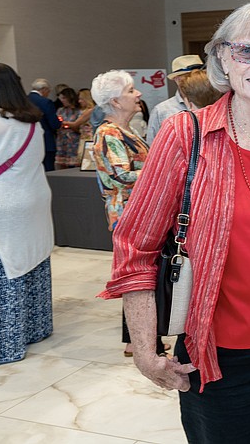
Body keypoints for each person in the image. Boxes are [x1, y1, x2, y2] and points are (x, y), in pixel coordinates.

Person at [101, 2, 250, 443]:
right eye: (246, 51)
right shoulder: (184, 135)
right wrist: (146, 348)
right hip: (220, 351)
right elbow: (135, 246)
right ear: (222, 59)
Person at [0, 62, 53, 366]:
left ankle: (0, 347)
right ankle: (35, 328)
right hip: (32, 202)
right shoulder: (32, 120)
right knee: (30, 263)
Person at [91, 70, 166, 358]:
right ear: (115, 101)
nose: (138, 94)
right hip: (130, 216)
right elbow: (121, 175)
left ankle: (139, 340)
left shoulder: (122, 130)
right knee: (139, 277)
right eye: (131, 90)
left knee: (140, 276)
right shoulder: (109, 133)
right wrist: (163, 166)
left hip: (137, 213)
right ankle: (142, 342)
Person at [145, 55, 203, 143]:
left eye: (197, 76)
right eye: (188, 76)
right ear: (176, 79)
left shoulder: (214, 104)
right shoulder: (162, 110)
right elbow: (152, 146)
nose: (194, 80)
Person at [27, 78, 61, 171]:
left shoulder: (24, 100)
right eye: (48, 91)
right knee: (48, 169)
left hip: (28, 141)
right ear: (44, 89)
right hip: (46, 140)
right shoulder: (45, 102)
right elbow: (54, 123)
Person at [55, 87, 83, 169]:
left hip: (74, 141)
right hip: (62, 140)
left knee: (73, 166)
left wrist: (68, 124)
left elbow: (79, 127)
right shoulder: (60, 110)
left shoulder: (79, 111)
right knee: (61, 165)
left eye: (64, 98)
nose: (62, 100)